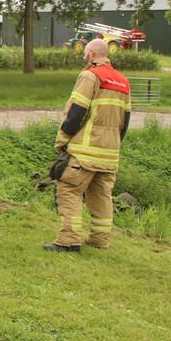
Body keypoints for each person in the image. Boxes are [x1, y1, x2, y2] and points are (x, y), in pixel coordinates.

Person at [45, 39, 131, 252]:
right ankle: (100, 239)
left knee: (69, 189)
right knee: (101, 194)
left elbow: (76, 112)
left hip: (85, 151)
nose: (84, 57)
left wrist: (62, 139)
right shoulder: (123, 81)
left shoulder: (90, 76)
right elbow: (125, 121)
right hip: (110, 152)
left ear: (91, 53)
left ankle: (69, 240)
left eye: (85, 53)